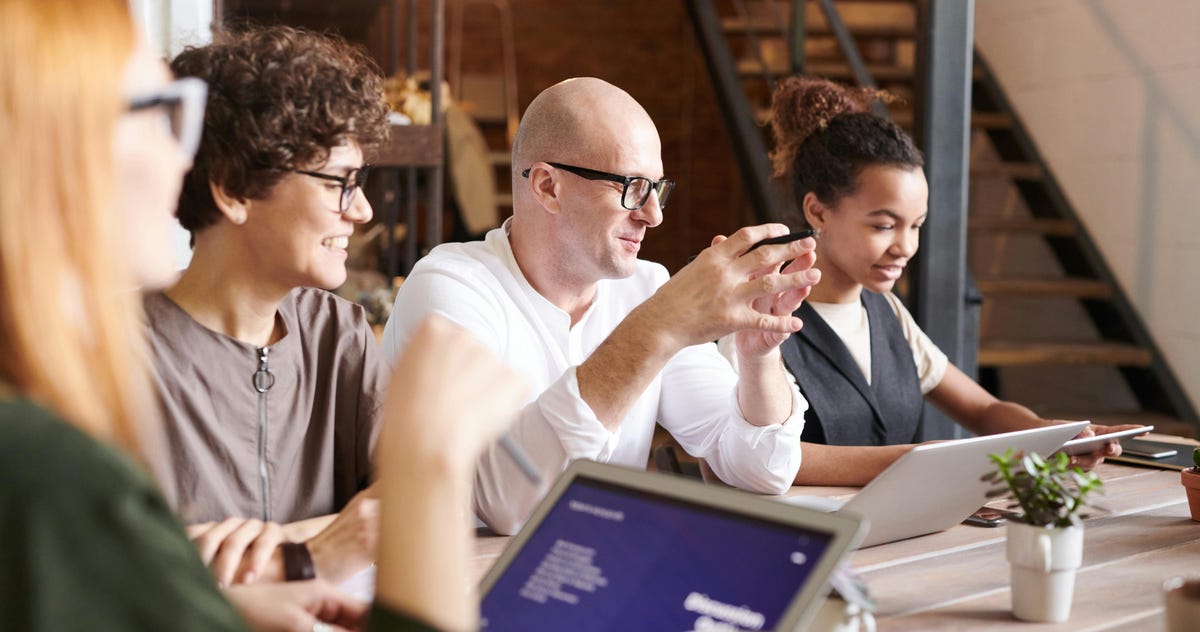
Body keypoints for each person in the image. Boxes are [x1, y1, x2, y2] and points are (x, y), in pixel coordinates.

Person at [0, 2, 526, 632]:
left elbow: (116, 598)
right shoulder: (68, 411)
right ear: (231, 188)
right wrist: (409, 479)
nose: (179, 153)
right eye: (158, 113)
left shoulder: (338, 332)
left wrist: (231, 597)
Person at [382, 77, 822, 535]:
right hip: (466, 577)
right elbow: (507, 502)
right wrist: (658, 326)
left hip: (602, 566)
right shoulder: (452, 287)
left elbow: (764, 471)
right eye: (632, 186)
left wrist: (757, 356)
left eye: (657, 188)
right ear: (548, 187)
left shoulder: (648, 288)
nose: (654, 215)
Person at [763, 76, 1137, 486]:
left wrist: (1051, 434)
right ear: (817, 212)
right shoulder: (759, 315)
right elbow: (759, 456)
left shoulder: (885, 310)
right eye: (884, 225)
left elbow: (983, 410)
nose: (905, 247)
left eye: (916, 225)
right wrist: (917, 460)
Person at [144, 26, 392, 586]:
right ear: (233, 188)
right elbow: (118, 570)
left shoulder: (339, 333)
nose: (363, 211)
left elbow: (408, 505)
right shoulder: (115, 355)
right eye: (338, 182)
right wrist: (320, 547)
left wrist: (275, 548)